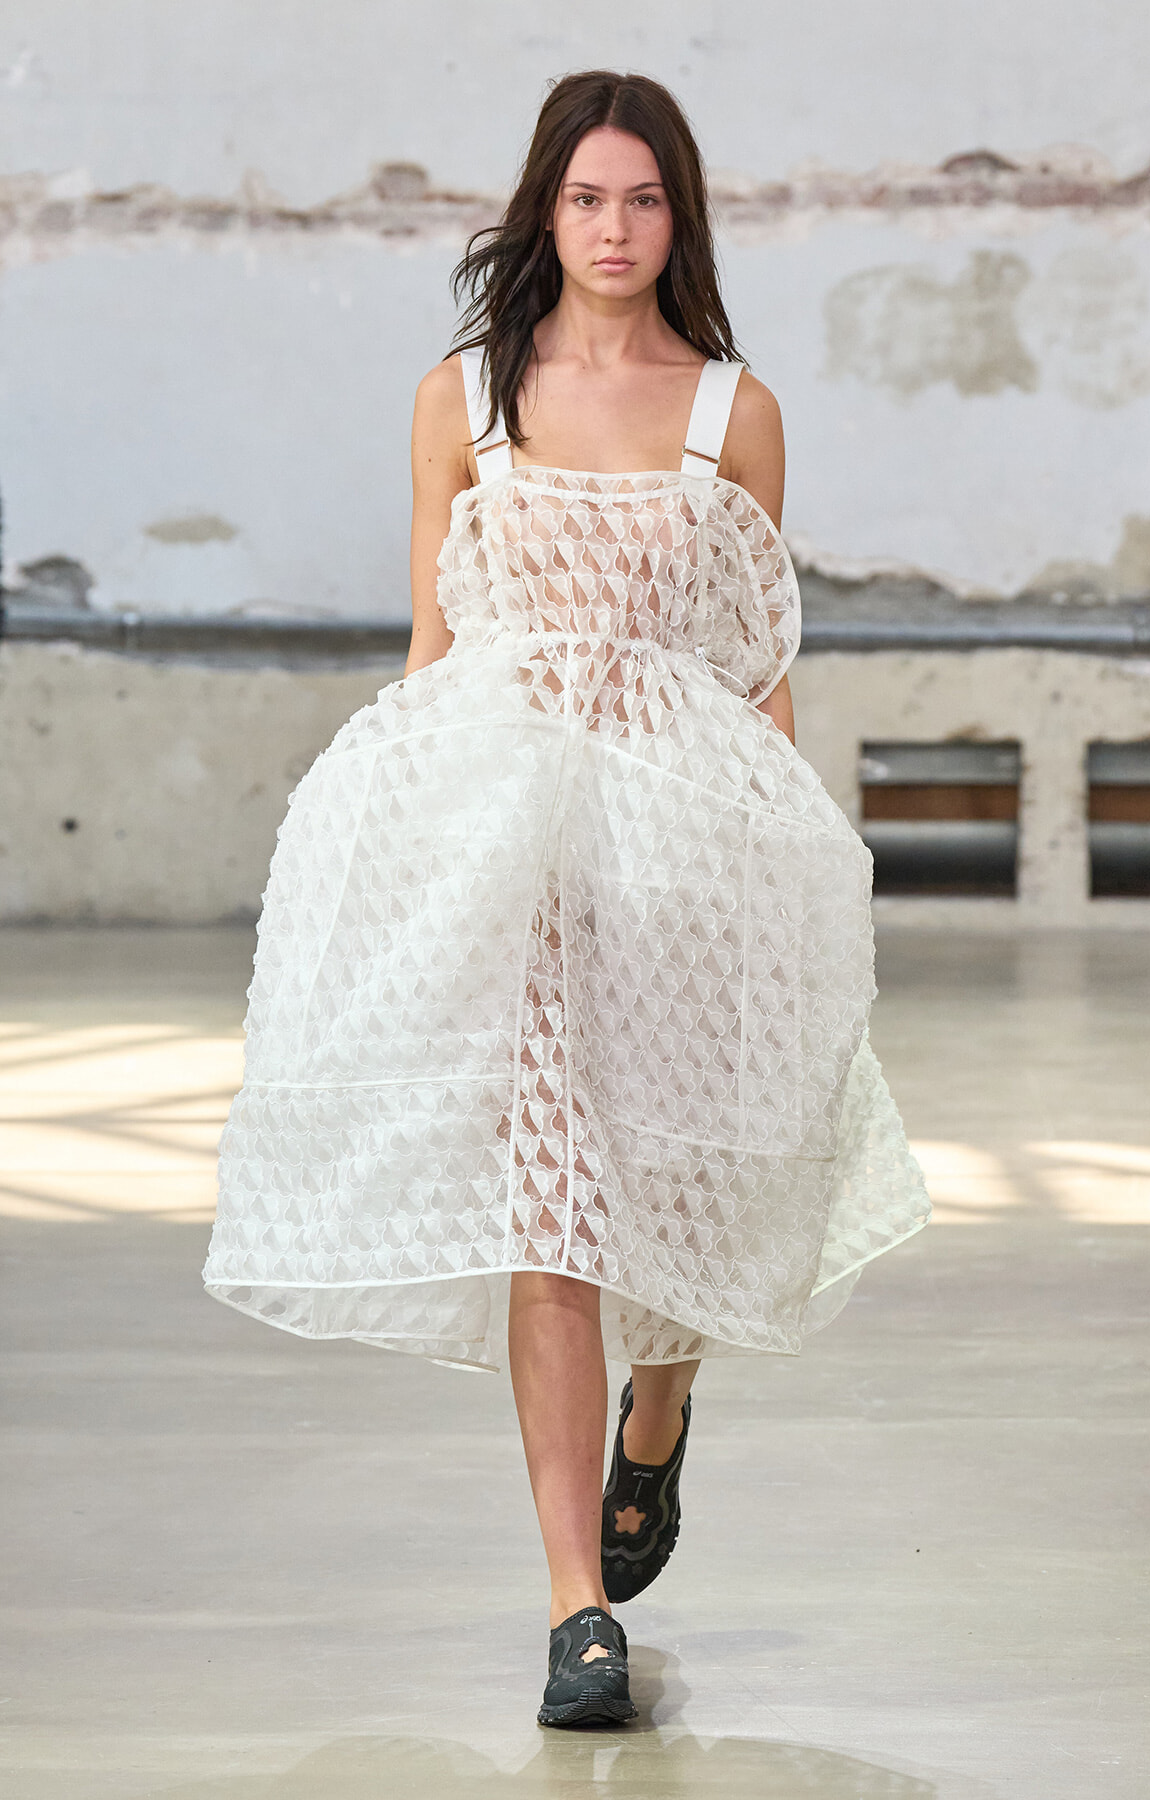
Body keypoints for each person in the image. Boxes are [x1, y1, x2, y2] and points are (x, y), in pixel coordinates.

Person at [203, 69, 930, 1729]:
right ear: (545, 207)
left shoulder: (727, 410)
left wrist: (792, 872)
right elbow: (433, 646)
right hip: (514, 855)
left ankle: (659, 1413)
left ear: (682, 215)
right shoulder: (459, 398)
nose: (614, 230)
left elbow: (758, 667)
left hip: (682, 847)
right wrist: (391, 840)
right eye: (588, 198)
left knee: (691, 1175)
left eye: (646, 200)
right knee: (549, 1223)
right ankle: (573, 1610)